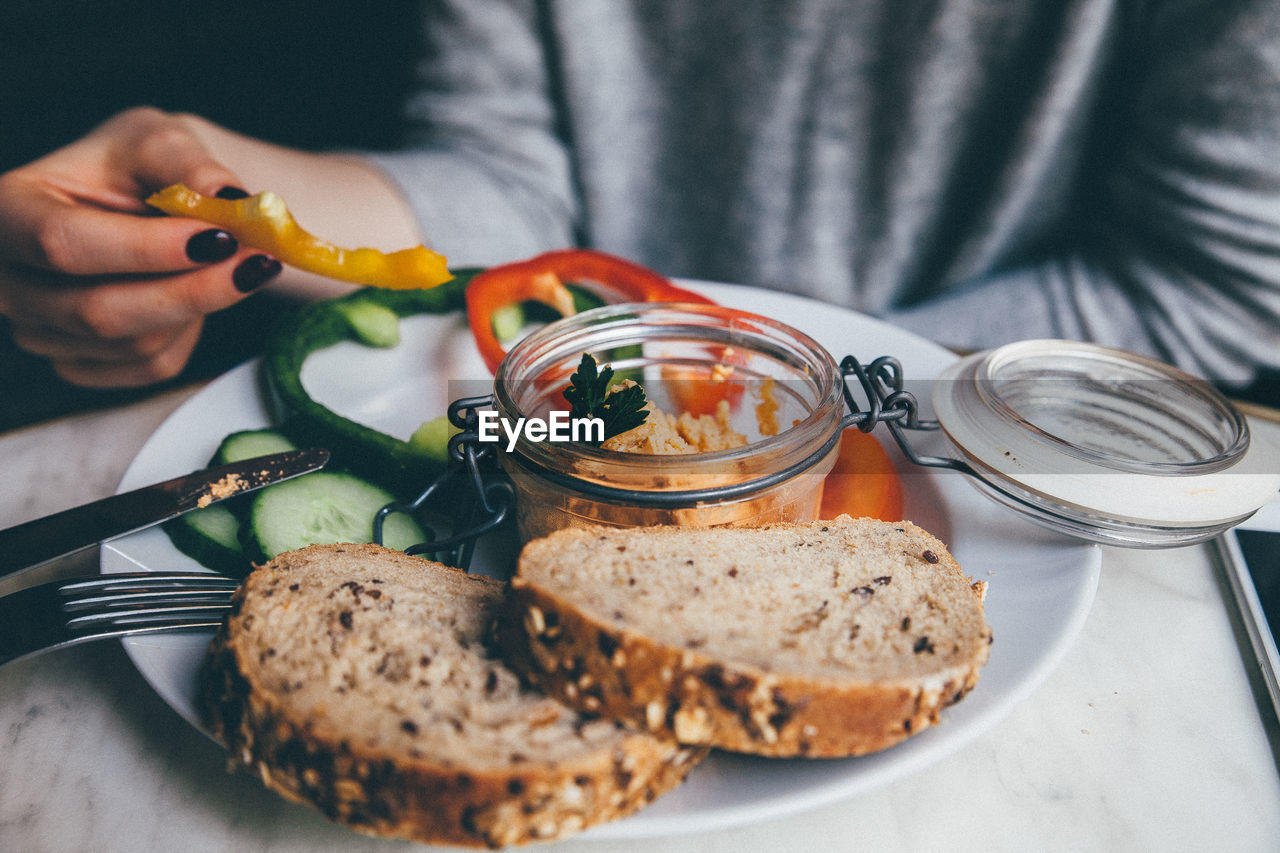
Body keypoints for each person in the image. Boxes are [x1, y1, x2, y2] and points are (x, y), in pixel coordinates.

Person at [2, 0, 1278, 394]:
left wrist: (764, 387)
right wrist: (215, 190)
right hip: (563, 416)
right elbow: (509, 184)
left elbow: (1204, 284)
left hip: (1003, 471)